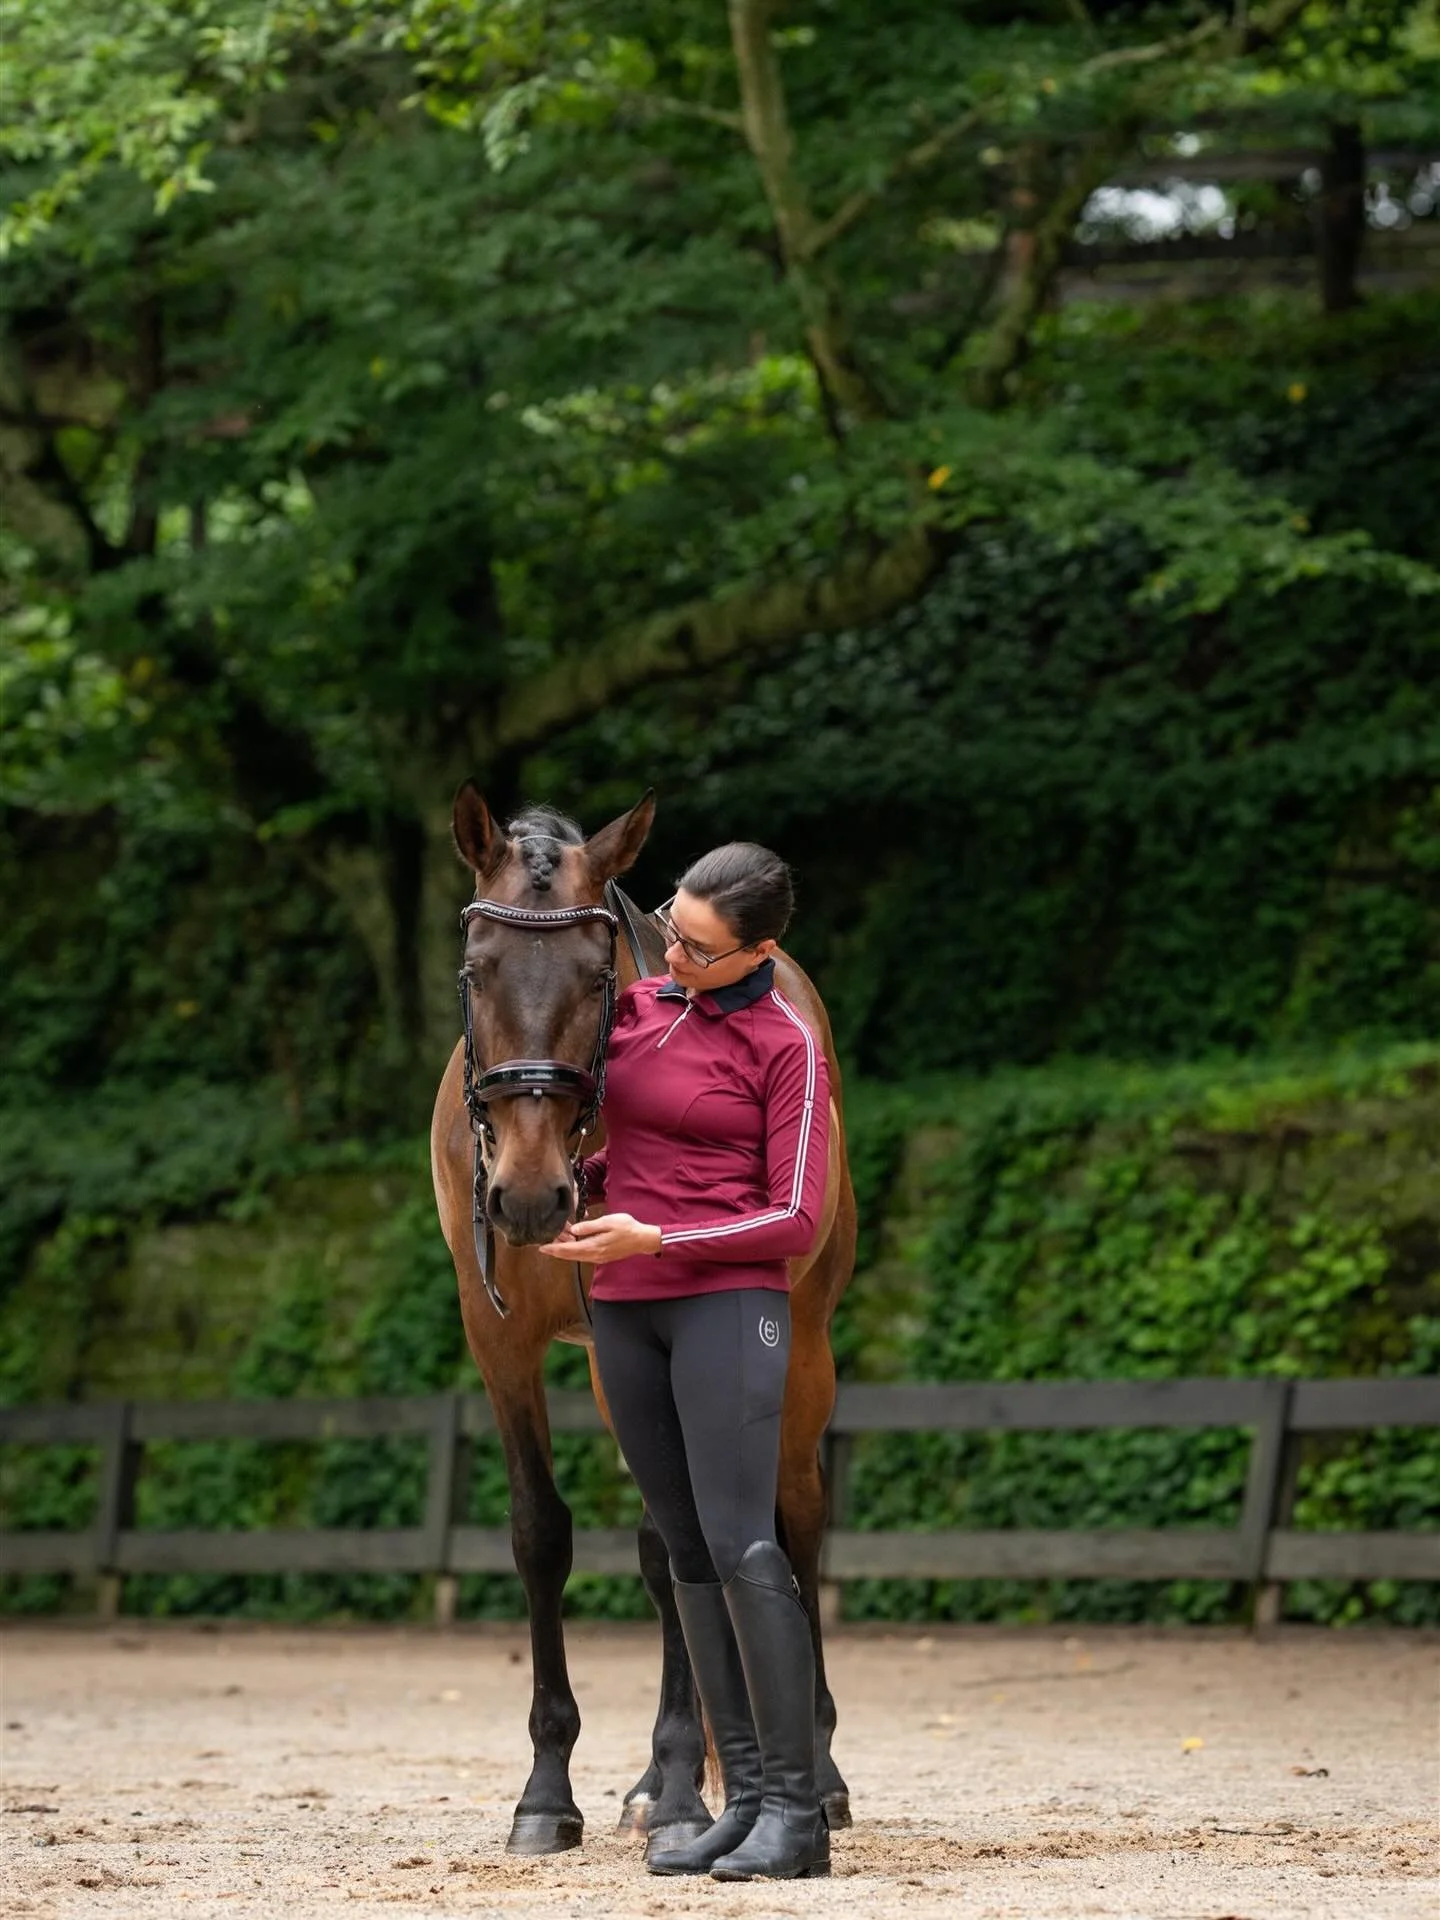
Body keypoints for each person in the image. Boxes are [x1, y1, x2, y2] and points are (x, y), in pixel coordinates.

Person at [537, 841, 831, 1881]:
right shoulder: (640, 1011)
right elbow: (638, 1150)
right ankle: (739, 1798)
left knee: (749, 1546)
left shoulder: (785, 1043)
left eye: (698, 949)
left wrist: (658, 1238)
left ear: (760, 947)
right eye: (669, 929)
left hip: (726, 1302)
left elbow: (795, 1217)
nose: (672, 955)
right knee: (685, 1547)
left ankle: (796, 1814)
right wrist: (583, 1182)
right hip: (627, 1306)